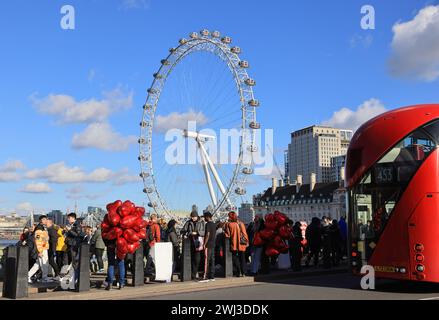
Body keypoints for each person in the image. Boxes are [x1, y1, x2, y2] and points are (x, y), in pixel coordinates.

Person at [180, 209, 206, 280]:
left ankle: (194, 273)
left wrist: (197, 233)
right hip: (190, 243)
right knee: (190, 259)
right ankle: (192, 274)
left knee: (197, 259)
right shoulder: (188, 222)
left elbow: (204, 232)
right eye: (191, 217)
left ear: (197, 216)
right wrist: (187, 234)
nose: (192, 218)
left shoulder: (202, 222)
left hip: (198, 242)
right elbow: (183, 230)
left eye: (193, 217)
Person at [224, 211, 249, 277]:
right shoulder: (241, 223)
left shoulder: (228, 224)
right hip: (242, 243)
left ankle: (238, 271)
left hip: (234, 243)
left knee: (235, 258)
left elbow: (227, 235)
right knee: (242, 258)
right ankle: (244, 272)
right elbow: (245, 234)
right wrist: (247, 242)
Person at [28, 215, 50, 283]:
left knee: (38, 265)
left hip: (43, 248)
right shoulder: (39, 229)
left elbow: (44, 239)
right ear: (42, 220)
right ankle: (44, 278)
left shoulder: (43, 228)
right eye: (45, 219)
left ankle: (28, 276)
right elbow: (38, 241)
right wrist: (40, 251)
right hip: (42, 249)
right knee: (44, 264)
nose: (46, 221)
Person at [63, 213, 83, 284]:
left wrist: (69, 230)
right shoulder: (71, 225)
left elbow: (77, 235)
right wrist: (65, 231)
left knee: (74, 263)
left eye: (69, 218)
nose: (68, 219)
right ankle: (68, 277)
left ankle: (75, 279)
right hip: (69, 245)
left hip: (74, 246)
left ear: (73, 218)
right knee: (66, 261)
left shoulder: (77, 225)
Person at [200, 211, 216, 283]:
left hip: (208, 244)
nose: (204, 219)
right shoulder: (214, 224)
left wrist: (204, 243)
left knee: (206, 260)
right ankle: (212, 276)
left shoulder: (208, 224)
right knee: (212, 260)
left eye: (204, 217)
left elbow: (208, 234)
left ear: (207, 217)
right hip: (213, 244)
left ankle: (205, 276)